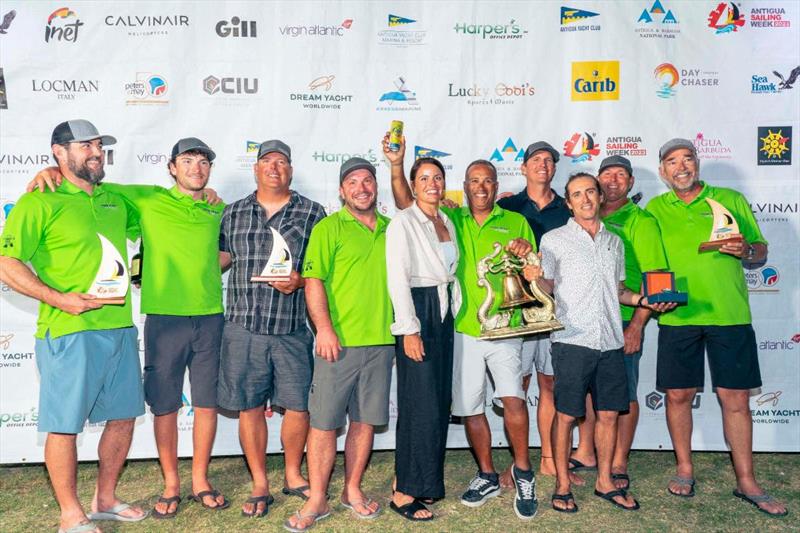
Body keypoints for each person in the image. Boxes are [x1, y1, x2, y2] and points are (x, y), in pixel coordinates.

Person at [27, 138, 229, 518]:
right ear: (171, 167)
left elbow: (223, 253)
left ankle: (200, 480)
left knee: (205, 403)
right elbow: (86, 182)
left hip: (210, 317)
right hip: (163, 319)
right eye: (187, 161)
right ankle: (171, 483)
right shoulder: (147, 198)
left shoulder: (216, 207)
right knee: (166, 405)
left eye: (204, 162)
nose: (196, 168)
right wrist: (53, 170)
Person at [0, 120, 147, 533]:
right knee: (64, 424)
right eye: (85, 145)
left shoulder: (115, 199)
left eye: (99, 145)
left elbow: (165, 204)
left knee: (123, 417)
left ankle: (105, 499)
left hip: (119, 325)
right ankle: (70, 515)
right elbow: (6, 263)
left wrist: (202, 193)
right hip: (67, 330)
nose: (96, 152)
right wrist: (57, 298)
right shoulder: (38, 202)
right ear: (58, 153)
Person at [383, 134, 539, 519]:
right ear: (465, 186)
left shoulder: (464, 221)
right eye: (474, 181)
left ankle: (515, 472)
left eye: (438, 178)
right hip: (440, 322)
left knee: (470, 402)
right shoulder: (435, 219)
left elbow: (532, 269)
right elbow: (399, 268)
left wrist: (524, 247)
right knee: (439, 405)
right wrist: (396, 165)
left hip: (478, 324)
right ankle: (425, 486)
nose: (481, 187)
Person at [646, 139, 787, 517]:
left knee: (736, 399)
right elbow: (648, 263)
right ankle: (685, 469)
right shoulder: (655, 209)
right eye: (672, 161)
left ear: (697, 163)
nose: (681, 167)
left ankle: (747, 480)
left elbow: (760, 250)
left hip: (729, 315)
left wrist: (746, 252)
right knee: (677, 396)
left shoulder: (730, 198)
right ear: (662, 171)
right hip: (678, 316)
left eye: (687, 159)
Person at [528, 172, 675, 513]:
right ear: (569, 202)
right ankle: (563, 485)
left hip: (610, 341)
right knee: (566, 416)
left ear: (598, 195)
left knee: (609, 414)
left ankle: (605, 481)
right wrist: (532, 278)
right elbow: (546, 288)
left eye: (590, 191)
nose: (585, 199)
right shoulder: (553, 240)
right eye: (577, 194)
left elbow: (619, 291)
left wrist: (644, 301)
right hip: (571, 340)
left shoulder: (615, 242)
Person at [218, 139, 326, 518]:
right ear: (256, 169)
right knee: (249, 406)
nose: (274, 168)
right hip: (243, 328)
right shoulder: (231, 214)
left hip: (293, 327)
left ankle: (294, 474)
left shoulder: (314, 213)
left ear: (291, 170)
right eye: (267, 161)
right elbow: (218, 260)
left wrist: (299, 280)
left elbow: (322, 269)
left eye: (282, 162)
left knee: (298, 406)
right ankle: (260, 481)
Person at [284, 158, 392, 532]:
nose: (362, 188)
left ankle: (352, 490)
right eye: (353, 182)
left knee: (364, 422)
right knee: (325, 424)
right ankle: (317, 497)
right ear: (342, 190)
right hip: (338, 343)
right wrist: (325, 329)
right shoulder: (328, 228)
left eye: (367, 181)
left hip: (382, 342)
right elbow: (313, 282)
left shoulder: (395, 230)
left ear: (375, 187)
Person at [569, 156, 668, 490]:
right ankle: (587, 452)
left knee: (622, 396)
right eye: (607, 174)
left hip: (623, 320)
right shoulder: (586, 219)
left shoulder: (641, 221)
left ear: (630, 183)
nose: (613, 180)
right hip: (586, 321)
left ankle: (619, 460)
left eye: (621, 174)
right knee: (590, 393)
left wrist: (637, 325)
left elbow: (656, 277)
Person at [385, 156, 457, 521]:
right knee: (418, 404)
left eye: (438, 177)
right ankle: (403, 491)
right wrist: (409, 329)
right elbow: (397, 278)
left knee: (437, 402)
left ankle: (425, 483)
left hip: (444, 315)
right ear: (413, 185)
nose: (432, 183)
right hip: (418, 310)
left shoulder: (446, 220)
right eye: (424, 178)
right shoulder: (403, 222)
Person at [496, 141, 572, 485]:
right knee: (517, 387)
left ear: (554, 168)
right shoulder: (507, 205)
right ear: (523, 167)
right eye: (536, 159)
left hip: (557, 307)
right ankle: (519, 462)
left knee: (550, 384)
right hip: (518, 310)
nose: (543, 164)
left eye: (549, 160)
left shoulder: (567, 208)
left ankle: (548, 459)